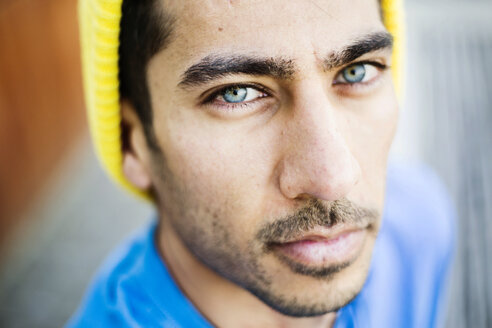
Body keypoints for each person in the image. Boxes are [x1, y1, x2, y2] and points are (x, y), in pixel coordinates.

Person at [69, 0, 455, 327]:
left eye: (358, 71)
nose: (333, 178)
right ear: (131, 142)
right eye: (235, 94)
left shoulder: (418, 226)